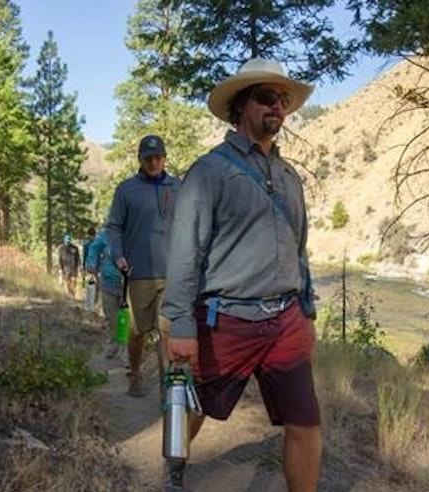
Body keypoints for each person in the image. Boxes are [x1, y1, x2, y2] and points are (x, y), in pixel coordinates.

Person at [161, 58, 322, 491]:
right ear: (241, 107)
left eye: (283, 100)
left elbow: (299, 249)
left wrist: (306, 310)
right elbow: (184, 252)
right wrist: (180, 323)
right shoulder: (209, 171)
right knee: (190, 407)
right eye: (267, 98)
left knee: (306, 422)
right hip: (224, 319)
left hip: (286, 321)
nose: (279, 108)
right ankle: (174, 471)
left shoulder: (290, 177)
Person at [107, 134, 181, 397]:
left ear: (165, 158)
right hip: (137, 273)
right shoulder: (126, 190)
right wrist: (118, 255)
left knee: (166, 331)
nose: (153, 162)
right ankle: (135, 373)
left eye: (158, 157)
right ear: (140, 159)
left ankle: (166, 385)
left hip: (171, 274)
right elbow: (114, 227)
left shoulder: (178, 187)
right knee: (137, 331)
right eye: (148, 158)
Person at [84, 228, 125, 360]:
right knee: (110, 315)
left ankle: (124, 348)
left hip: (128, 282)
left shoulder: (133, 232)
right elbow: (94, 249)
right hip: (108, 281)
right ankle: (114, 343)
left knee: (124, 315)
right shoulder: (105, 235)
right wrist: (91, 264)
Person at [57, 233, 80, 300]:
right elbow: (60, 260)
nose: (68, 241)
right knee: (68, 283)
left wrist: (78, 267)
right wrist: (60, 270)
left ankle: (73, 295)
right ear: (64, 240)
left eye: (69, 240)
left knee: (74, 282)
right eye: (66, 240)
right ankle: (69, 295)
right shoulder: (61, 249)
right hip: (65, 269)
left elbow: (78, 259)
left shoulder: (75, 248)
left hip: (73, 269)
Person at [82, 227, 99, 311]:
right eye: (90, 235)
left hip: (95, 268)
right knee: (91, 286)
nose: (91, 237)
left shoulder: (98, 244)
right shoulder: (87, 245)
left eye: (92, 235)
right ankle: (89, 305)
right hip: (90, 268)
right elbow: (84, 257)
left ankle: (93, 304)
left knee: (96, 287)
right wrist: (83, 268)